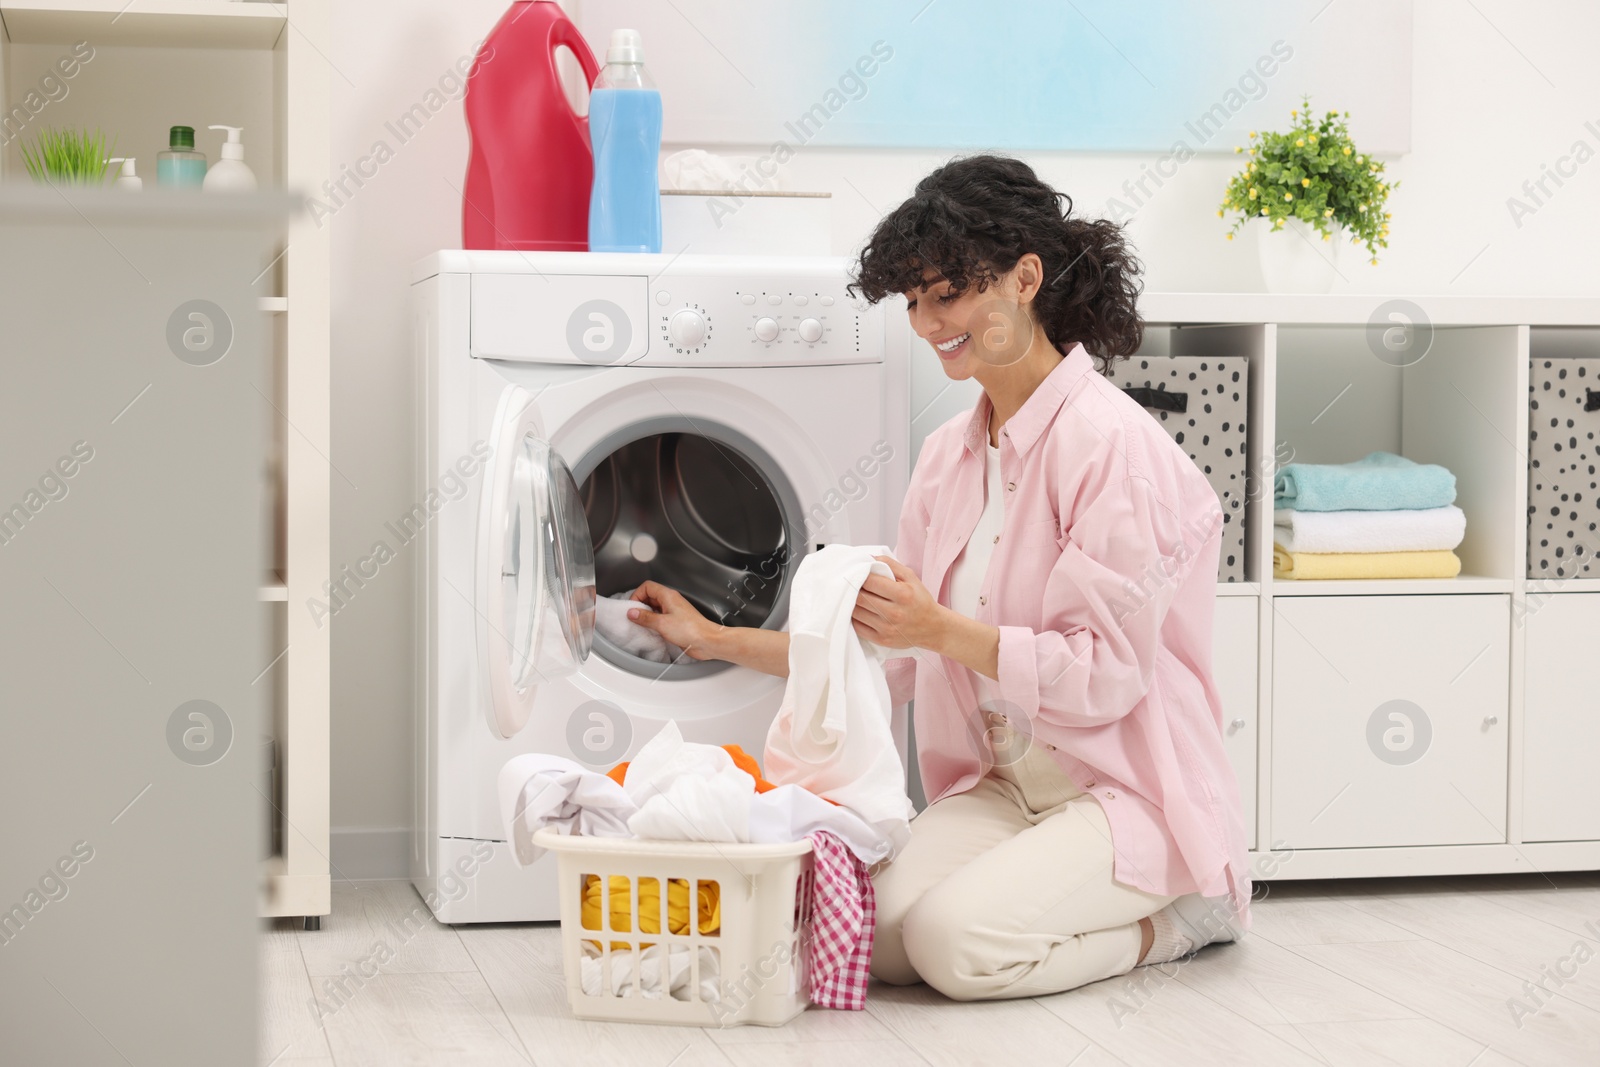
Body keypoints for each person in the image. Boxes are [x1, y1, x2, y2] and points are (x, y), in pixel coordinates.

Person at [624, 154, 1253, 1001]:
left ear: (1026, 278)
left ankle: (1176, 920)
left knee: (953, 948)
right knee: (872, 936)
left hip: (1121, 789)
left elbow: (1102, 676)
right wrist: (708, 636)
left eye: (946, 294)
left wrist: (939, 629)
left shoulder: (1112, 451)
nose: (926, 322)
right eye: (914, 300)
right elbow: (888, 649)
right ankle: (1053, 899)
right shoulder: (948, 459)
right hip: (1004, 785)